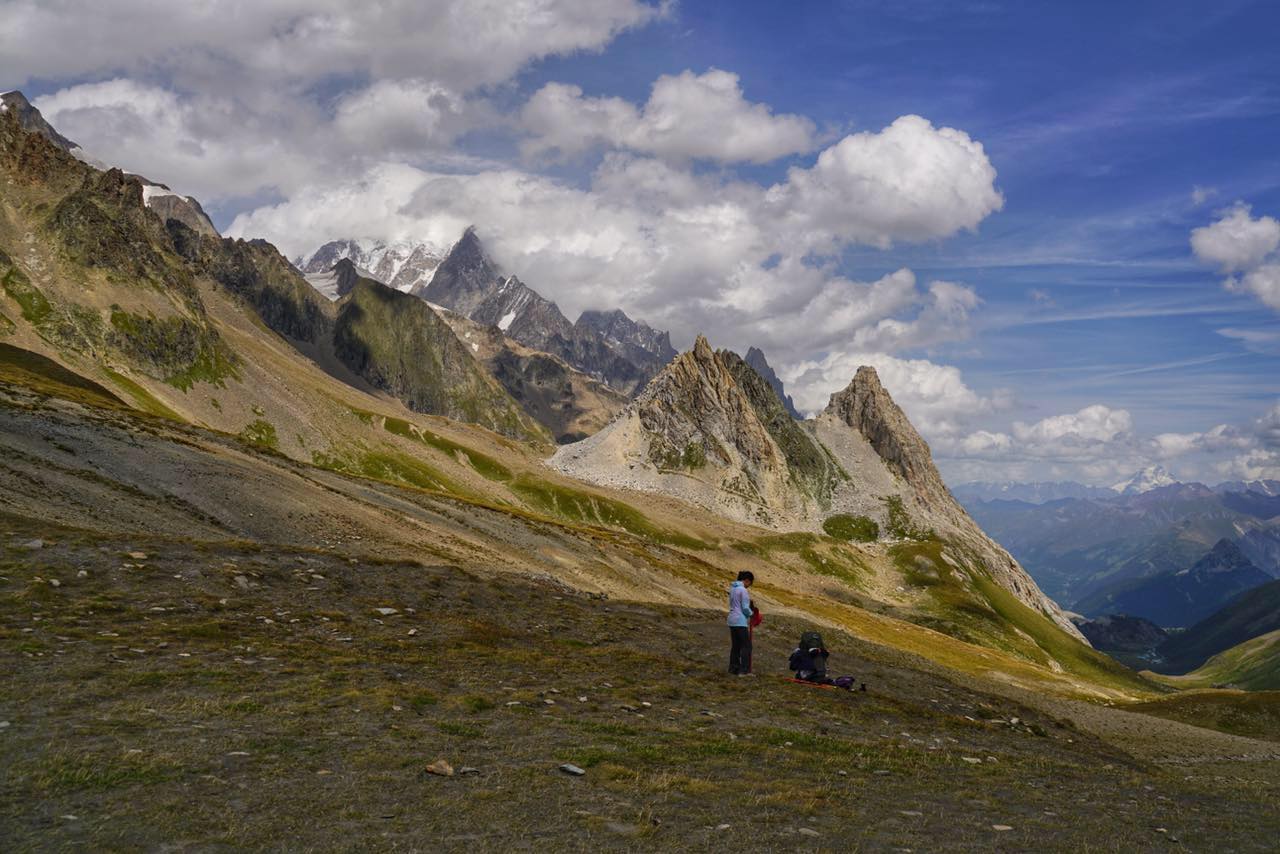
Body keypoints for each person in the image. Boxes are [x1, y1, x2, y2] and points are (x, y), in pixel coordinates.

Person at [727, 571, 754, 676]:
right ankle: (744, 671)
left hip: (731, 619)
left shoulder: (733, 589)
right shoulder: (743, 590)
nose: (749, 586)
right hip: (740, 621)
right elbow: (745, 607)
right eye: (750, 584)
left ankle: (733, 668)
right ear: (747, 580)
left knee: (736, 646)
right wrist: (751, 614)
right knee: (746, 646)